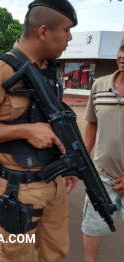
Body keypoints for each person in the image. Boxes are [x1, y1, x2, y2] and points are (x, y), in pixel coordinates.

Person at [0, 1, 79, 261]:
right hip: (16, 187)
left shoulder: (47, 71)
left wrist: (69, 167)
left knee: (56, 252)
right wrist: (25, 130)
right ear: (44, 32)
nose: (70, 38)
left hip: (53, 181)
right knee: (15, 257)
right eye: (67, 30)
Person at [82, 37, 124, 262]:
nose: (123, 56)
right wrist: (81, 164)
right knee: (92, 227)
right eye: (122, 48)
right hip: (101, 176)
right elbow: (92, 125)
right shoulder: (99, 85)